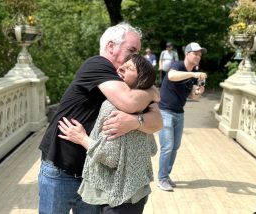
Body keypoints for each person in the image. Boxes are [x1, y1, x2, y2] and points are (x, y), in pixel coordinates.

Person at [38, 22, 162, 214]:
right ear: (111, 46)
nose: (135, 57)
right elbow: (129, 102)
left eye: (137, 52)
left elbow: (157, 122)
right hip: (61, 169)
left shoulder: (130, 82)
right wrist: (152, 91)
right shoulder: (97, 64)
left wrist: (135, 122)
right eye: (131, 50)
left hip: (96, 175)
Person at [58, 54, 162, 214]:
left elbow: (110, 157)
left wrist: (82, 138)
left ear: (141, 78)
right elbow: (152, 148)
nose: (120, 68)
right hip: (138, 192)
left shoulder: (113, 107)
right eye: (123, 65)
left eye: (129, 68)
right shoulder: (146, 107)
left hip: (117, 196)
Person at [157, 42, 207, 191]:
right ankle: (161, 179)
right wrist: (194, 74)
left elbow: (193, 96)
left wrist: (199, 92)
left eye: (200, 54)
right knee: (167, 147)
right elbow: (171, 76)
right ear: (187, 54)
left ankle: (166, 175)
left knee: (175, 147)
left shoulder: (193, 75)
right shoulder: (178, 65)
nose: (198, 56)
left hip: (179, 113)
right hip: (165, 111)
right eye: (195, 53)